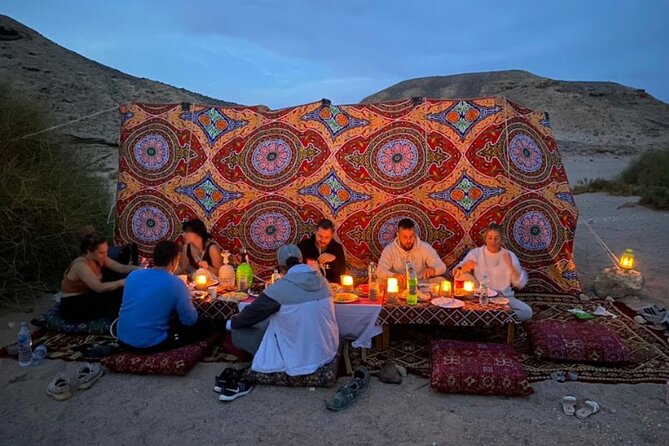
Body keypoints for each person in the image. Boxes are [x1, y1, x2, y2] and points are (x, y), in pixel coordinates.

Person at [228, 244, 339, 375]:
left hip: (298, 358)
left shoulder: (279, 288)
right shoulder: (323, 281)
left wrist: (232, 322)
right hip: (327, 349)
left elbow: (248, 316)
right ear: (301, 260)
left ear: (281, 267)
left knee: (237, 332)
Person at [117, 240, 210, 352]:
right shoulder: (175, 283)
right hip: (150, 344)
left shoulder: (134, 275)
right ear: (174, 261)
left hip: (122, 340)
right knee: (204, 326)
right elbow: (189, 321)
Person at [453, 223, 533, 321]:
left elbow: (520, 284)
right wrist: (464, 267)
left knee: (526, 312)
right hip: (480, 295)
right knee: (463, 275)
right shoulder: (477, 253)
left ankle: (486, 316)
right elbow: (455, 272)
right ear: (485, 239)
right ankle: (498, 317)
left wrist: (511, 267)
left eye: (496, 238)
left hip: (503, 297)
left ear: (502, 240)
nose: (492, 242)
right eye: (490, 238)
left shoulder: (509, 255)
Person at [60, 232, 140, 323]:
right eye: (102, 252)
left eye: (106, 251)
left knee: (120, 287)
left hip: (89, 295)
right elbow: (99, 288)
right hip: (74, 305)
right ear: (89, 251)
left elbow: (121, 268)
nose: (105, 255)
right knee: (115, 293)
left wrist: (141, 270)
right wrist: (125, 281)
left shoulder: (98, 258)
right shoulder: (80, 265)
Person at [377, 218, 447, 286]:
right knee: (378, 281)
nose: (408, 240)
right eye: (404, 237)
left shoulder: (424, 247)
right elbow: (380, 270)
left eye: (411, 236)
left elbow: (442, 267)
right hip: (398, 285)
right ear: (398, 235)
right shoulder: (390, 249)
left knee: (441, 281)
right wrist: (394, 276)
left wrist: (433, 269)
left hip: (420, 284)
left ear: (415, 234)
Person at [297, 219, 346, 283]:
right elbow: (294, 269)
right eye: (320, 236)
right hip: (308, 285)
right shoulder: (304, 246)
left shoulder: (337, 248)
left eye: (327, 237)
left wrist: (334, 260)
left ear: (332, 235)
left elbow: (342, 275)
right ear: (315, 232)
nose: (323, 240)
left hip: (330, 287)